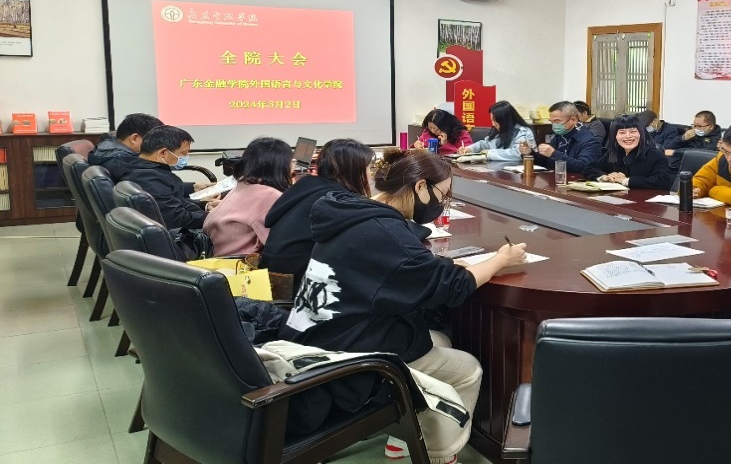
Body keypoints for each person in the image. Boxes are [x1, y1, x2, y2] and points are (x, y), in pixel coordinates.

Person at [282, 149, 528, 464]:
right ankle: (439, 455)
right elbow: (452, 287)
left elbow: (402, 268)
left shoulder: (354, 214)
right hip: (343, 364)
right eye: (442, 194)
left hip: (312, 343)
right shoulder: (387, 234)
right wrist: (500, 260)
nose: (442, 203)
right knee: (467, 370)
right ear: (420, 186)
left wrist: (441, 266)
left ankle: (402, 441)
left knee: (439, 340)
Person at [262, 138, 375, 278]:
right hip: (301, 280)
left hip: (274, 277)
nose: (370, 175)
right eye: (369, 168)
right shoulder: (337, 200)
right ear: (355, 170)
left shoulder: (305, 189)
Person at [204, 137, 292, 256]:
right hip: (239, 264)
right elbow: (282, 243)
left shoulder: (244, 183)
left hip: (217, 257)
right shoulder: (269, 195)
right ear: (280, 165)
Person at [114, 125, 209, 233]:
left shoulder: (143, 169)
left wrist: (206, 207)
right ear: (163, 153)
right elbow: (177, 218)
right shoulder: (148, 178)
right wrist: (212, 216)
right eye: (183, 153)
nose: (186, 157)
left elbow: (177, 203)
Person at [584, 115, 673, 190]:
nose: (628, 136)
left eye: (633, 131)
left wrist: (625, 181)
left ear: (641, 134)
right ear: (615, 136)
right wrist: (605, 177)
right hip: (618, 200)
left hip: (645, 203)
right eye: (622, 132)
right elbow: (590, 168)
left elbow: (662, 181)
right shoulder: (615, 153)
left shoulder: (656, 155)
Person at [520, 101, 602, 171]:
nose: (554, 125)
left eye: (557, 121)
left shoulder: (590, 141)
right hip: (555, 179)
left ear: (573, 120)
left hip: (576, 182)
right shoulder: (559, 136)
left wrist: (554, 154)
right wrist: (529, 153)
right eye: (552, 122)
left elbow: (585, 167)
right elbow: (545, 162)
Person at [88, 113, 165, 181]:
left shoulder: (106, 146)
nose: (157, 146)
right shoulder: (124, 163)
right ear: (134, 138)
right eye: (154, 141)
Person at [458, 100, 537, 161]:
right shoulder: (500, 130)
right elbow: (486, 143)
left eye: (496, 121)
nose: (493, 124)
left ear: (505, 120)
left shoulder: (523, 132)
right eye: (492, 120)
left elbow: (517, 154)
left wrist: (489, 153)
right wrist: (470, 148)